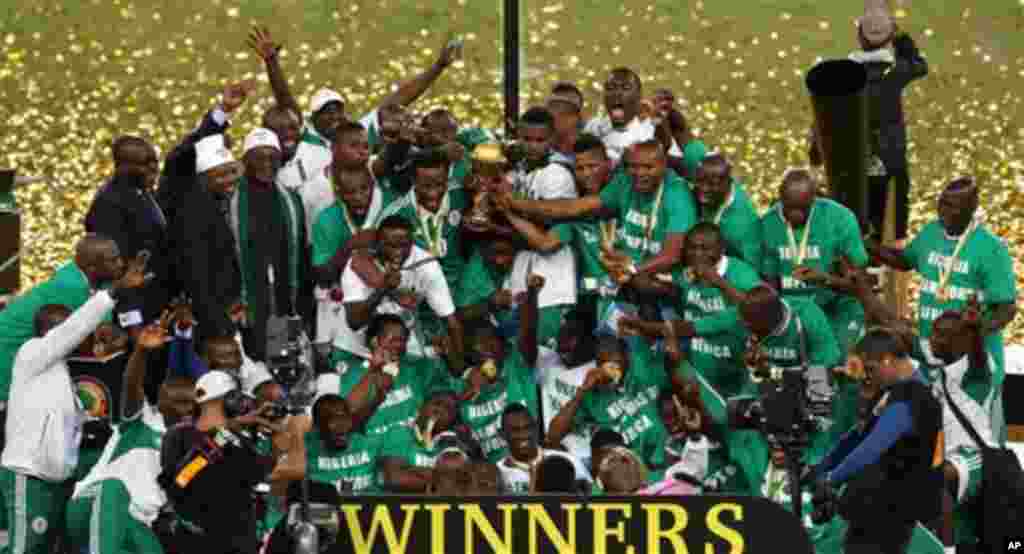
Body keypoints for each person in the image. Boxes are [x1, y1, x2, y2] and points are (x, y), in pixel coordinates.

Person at [0, 251, 148, 554]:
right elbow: (75, 328)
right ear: (52, 332)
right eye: (66, 328)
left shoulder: (63, 372)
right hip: (29, 475)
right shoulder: (31, 354)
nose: (80, 335)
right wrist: (114, 292)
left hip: (58, 480)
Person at [869, 177, 1016, 442]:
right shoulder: (931, 232)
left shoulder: (991, 249)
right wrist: (872, 249)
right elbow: (905, 260)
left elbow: (1007, 308)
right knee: (934, 438)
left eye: (952, 207)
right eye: (942, 204)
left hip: (973, 368)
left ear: (972, 207)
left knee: (981, 442)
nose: (943, 212)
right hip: (933, 355)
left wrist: (974, 331)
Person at [65, 316, 196, 554]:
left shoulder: (189, 446)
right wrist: (141, 351)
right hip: (93, 502)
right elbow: (131, 384)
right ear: (162, 402)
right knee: (115, 488)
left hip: (136, 523)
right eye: (179, 402)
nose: (186, 409)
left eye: (191, 403)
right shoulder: (142, 419)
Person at [811, 328, 944, 554]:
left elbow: (871, 447)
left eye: (871, 369)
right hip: (876, 508)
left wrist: (831, 478)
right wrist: (821, 468)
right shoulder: (893, 392)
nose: (867, 377)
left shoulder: (912, 397)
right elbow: (857, 435)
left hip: (892, 514)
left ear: (887, 360)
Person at [810, 9, 928, 243]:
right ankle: (892, 252)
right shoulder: (896, 72)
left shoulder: (842, 75)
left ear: (859, 37)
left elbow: (823, 116)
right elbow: (919, 65)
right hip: (891, 157)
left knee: (852, 213)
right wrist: (901, 37)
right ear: (889, 37)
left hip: (851, 159)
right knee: (893, 214)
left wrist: (816, 150)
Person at [159, 370, 298, 554]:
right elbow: (181, 481)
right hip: (197, 542)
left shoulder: (238, 437)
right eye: (237, 398)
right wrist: (222, 436)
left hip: (239, 540)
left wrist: (275, 444)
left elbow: (260, 475)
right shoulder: (180, 435)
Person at [0, 234, 125, 407]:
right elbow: (95, 344)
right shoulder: (71, 289)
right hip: (7, 357)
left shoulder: (92, 280)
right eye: (113, 260)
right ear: (92, 268)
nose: (121, 264)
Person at [760, 168, 870, 356]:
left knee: (838, 369)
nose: (795, 215)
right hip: (793, 312)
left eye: (802, 208)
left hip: (838, 310)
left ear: (814, 199)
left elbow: (860, 285)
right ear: (780, 198)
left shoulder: (840, 220)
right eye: (788, 208)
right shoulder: (767, 223)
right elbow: (770, 284)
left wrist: (825, 280)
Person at [334, 215, 465, 370]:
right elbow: (354, 322)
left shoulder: (427, 266)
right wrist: (385, 288)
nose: (398, 252)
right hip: (355, 349)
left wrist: (461, 366)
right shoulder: (356, 264)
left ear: (412, 242)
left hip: (397, 348)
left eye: (404, 245)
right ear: (378, 243)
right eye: (390, 246)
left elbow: (450, 321)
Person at [228, 128, 310, 361]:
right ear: (245, 161)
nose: (267, 164)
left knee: (285, 358)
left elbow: (302, 252)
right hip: (247, 297)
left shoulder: (291, 200)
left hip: (285, 295)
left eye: (272, 157)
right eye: (259, 157)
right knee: (253, 358)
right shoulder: (229, 200)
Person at [504, 107, 579, 347]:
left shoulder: (558, 175)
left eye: (540, 140)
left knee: (545, 351)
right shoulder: (518, 170)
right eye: (526, 139)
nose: (532, 146)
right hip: (523, 272)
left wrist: (506, 208)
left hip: (552, 280)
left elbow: (544, 233)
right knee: (520, 349)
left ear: (552, 139)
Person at [163, 129, 246, 345]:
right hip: (213, 319)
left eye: (231, 172)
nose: (229, 180)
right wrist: (219, 326)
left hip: (233, 309)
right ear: (201, 179)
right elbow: (197, 277)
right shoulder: (192, 215)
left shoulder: (221, 202)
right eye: (220, 175)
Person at [452, 274, 544, 463]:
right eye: (479, 344)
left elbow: (529, 331)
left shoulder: (516, 364)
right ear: (470, 353)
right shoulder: (460, 385)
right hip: (491, 473)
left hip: (532, 459)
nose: (488, 348)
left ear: (503, 344)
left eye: (491, 340)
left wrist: (532, 295)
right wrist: (467, 393)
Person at [84, 136, 171, 334]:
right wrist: (133, 324)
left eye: (155, 161)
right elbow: (115, 270)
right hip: (133, 312)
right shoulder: (108, 205)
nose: (154, 168)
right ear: (121, 166)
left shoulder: (141, 191)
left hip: (155, 300)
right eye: (145, 164)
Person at [545, 335, 670, 471]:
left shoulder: (643, 370)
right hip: (630, 469)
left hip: (667, 457)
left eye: (616, 361)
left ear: (627, 357)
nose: (611, 368)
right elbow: (553, 435)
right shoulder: (592, 394)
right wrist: (582, 391)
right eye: (603, 363)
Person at [316, 314, 443, 437]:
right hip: (373, 449)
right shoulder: (352, 373)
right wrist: (373, 371)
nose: (399, 345)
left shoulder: (413, 369)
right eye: (393, 340)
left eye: (403, 340)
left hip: (410, 445)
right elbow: (347, 412)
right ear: (374, 341)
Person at [378, 150, 468, 288]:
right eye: (426, 186)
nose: (433, 193)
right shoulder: (396, 215)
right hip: (417, 293)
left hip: (459, 287)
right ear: (413, 181)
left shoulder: (460, 196)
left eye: (440, 184)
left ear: (447, 179)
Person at [536, 312, 598, 465]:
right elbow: (527, 341)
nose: (564, 341)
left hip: (587, 454)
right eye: (562, 334)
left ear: (588, 340)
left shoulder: (596, 371)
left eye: (572, 336)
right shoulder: (548, 361)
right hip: (554, 451)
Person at [377, 391, 466, 493]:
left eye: (448, 409)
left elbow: (456, 481)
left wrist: (413, 470)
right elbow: (395, 478)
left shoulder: (452, 440)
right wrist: (440, 479)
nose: (440, 410)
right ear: (421, 406)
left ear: (452, 419)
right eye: (437, 403)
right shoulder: (399, 433)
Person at [495, 403, 591, 494]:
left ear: (536, 427)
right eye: (515, 430)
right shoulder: (498, 471)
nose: (524, 434)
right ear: (502, 434)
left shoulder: (567, 460)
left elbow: (593, 495)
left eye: (528, 427)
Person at [691, 153, 762, 268]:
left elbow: (752, 272)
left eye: (712, 184)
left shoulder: (743, 226)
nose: (703, 188)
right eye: (699, 181)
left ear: (728, 183)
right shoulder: (707, 169)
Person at [303, 393, 382, 494]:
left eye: (344, 418)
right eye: (332, 420)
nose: (341, 427)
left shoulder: (372, 444)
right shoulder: (306, 453)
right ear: (317, 426)